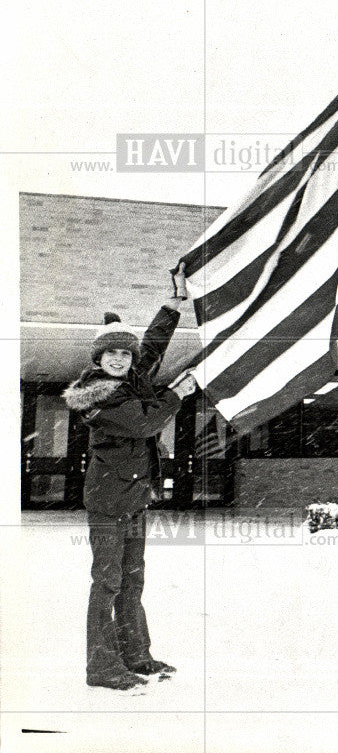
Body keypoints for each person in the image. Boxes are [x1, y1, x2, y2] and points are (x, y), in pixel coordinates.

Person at [63, 265, 198, 690]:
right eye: (112, 355)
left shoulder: (131, 379)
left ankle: (136, 655)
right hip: (108, 501)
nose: (120, 359)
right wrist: (177, 394)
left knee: (133, 578)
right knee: (107, 581)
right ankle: (101, 666)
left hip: (135, 498)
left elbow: (152, 347)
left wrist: (174, 303)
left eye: (125, 354)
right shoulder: (101, 397)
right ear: (98, 360)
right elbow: (144, 424)